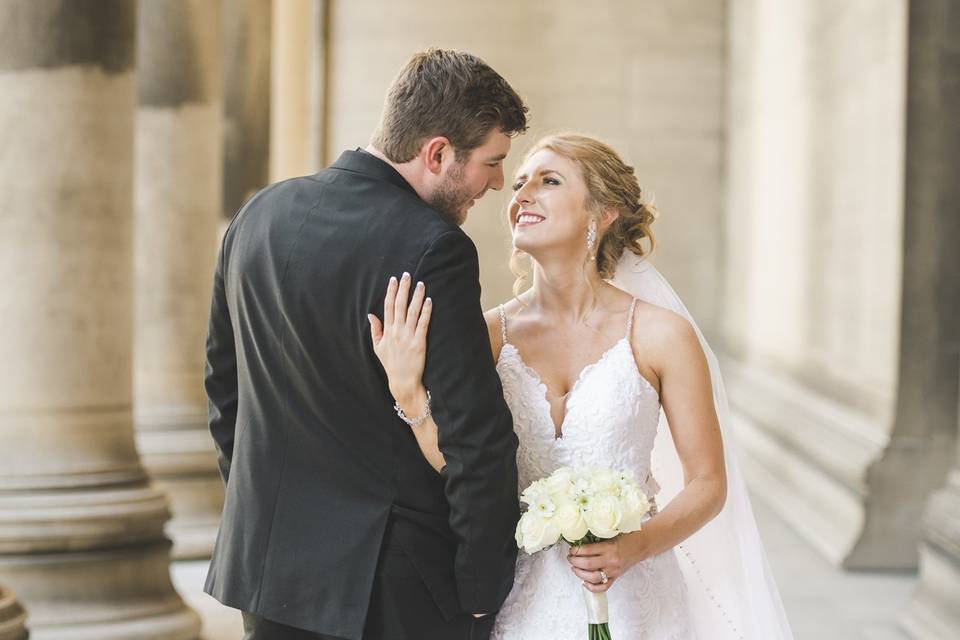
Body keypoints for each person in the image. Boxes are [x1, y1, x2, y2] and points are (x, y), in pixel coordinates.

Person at [370, 133, 794, 639]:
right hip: (520, 601)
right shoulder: (485, 336)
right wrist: (408, 393)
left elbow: (707, 484)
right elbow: (464, 468)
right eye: (520, 182)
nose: (521, 194)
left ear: (604, 213)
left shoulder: (661, 335)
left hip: (634, 603)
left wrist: (632, 547)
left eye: (548, 181)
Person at [203, 49, 527, 640]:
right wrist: (483, 595)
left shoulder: (256, 216)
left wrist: (268, 518)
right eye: (493, 161)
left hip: (269, 575)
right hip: (392, 592)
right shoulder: (435, 248)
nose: (499, 182)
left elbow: (226, 397)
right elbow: (475, 440)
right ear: (437, 153)